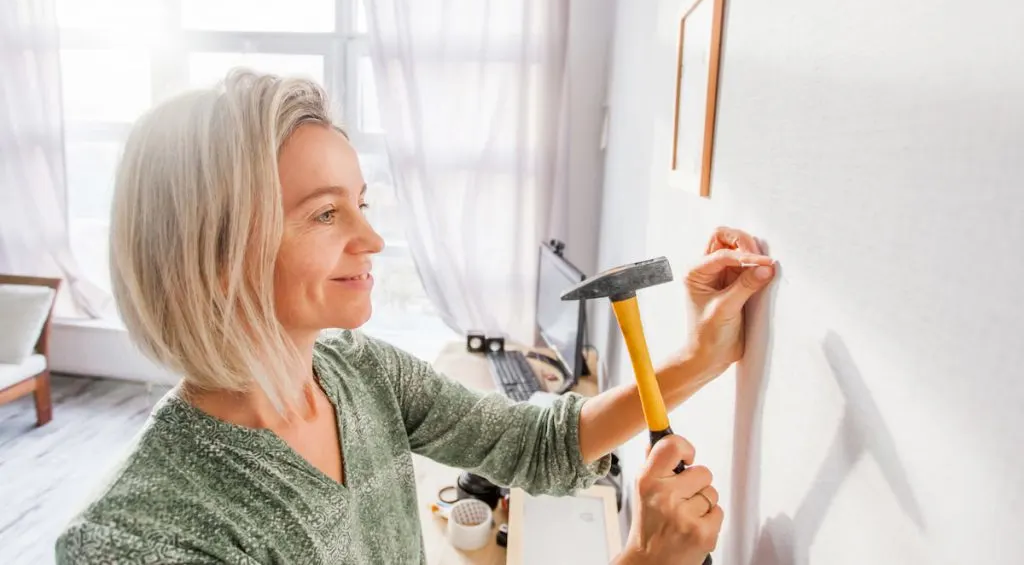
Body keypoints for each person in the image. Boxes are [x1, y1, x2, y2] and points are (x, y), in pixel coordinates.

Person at [55, 71, 775, 565]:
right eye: (326, 213)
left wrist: (698, 357)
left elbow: (531, 441)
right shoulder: (137, 534)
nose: (370, 240)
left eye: (361, 203)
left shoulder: (359, 371)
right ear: (211, 252)